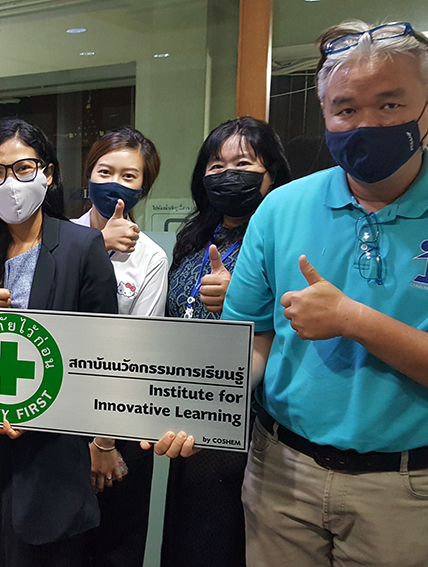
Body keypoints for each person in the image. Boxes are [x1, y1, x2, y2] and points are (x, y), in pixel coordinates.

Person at [222, 21, 428, 567]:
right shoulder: (281, 208)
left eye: (390, 105)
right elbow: (251, 338)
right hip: (281, 473)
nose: (366, 124)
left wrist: (351, 318)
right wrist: (199, 405)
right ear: (324, 112)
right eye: (345, 109)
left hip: (406, 490)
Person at [0, 118, 118, 567]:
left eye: (23, 168)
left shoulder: (83, 247)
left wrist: (40, 412)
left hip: (51, 457)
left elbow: (103, 358)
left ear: (48, 172)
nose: (10, 183)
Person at [158, 116, 290, 566]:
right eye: (216, 165)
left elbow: (299, 322)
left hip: (246, 420)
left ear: (272, 172)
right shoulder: (194, 235)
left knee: (224, 540)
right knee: (185, 534)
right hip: (185, 406)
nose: (227, 174)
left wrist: (241, 299)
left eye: (243, 163)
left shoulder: (282, 237)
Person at [69, 126, 167, 567]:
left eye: (129, 176)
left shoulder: (151, 257)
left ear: (144, 187)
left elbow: (137, 351)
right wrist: (96, 246)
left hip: (120, 422)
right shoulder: (58, 237)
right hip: (61, 414)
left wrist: (105, 441)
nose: (115, 184)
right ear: (88, 174)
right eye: (105, 171)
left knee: (115, 546)